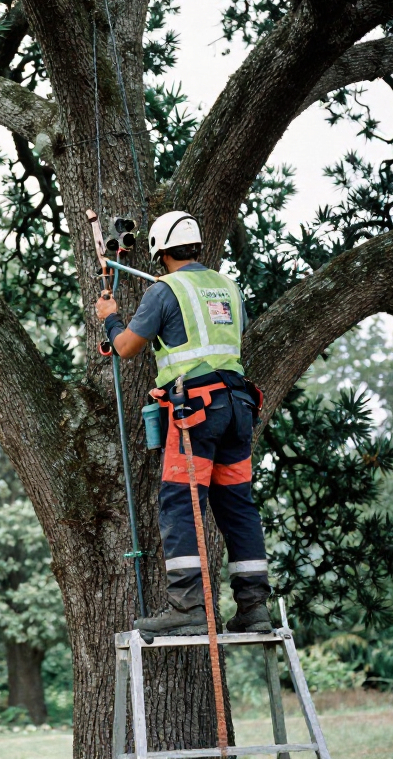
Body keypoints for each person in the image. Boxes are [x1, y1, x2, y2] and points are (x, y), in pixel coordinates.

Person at [95, 211, 271, 635]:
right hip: (238, 406)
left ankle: (188, 606)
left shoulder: (164, 289)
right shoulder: (229, 288)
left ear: (158, 250)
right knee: (237, 505)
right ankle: (254, 608)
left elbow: (126, 347)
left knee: (180, 501)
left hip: (197, 409)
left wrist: (110, 315)